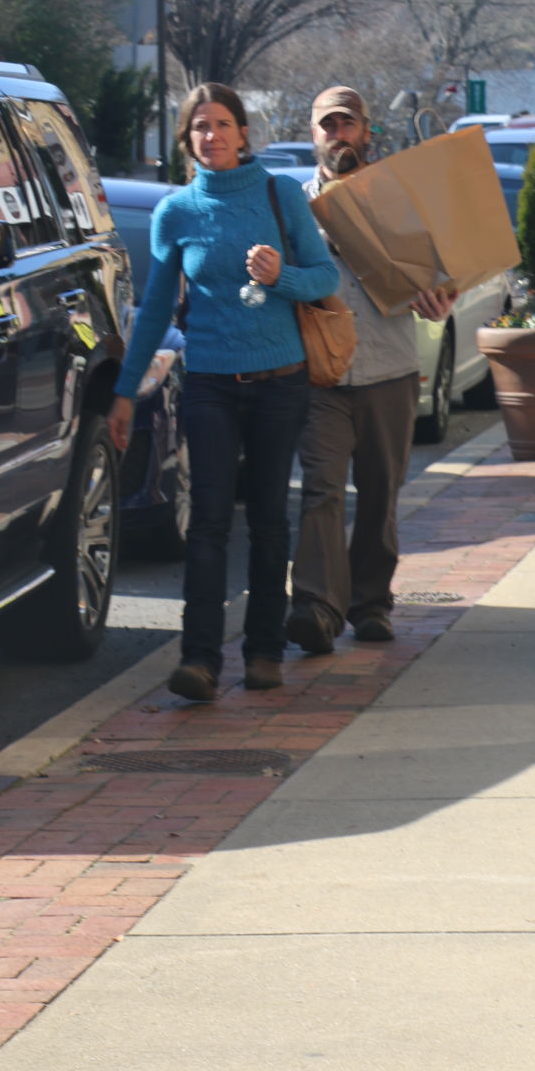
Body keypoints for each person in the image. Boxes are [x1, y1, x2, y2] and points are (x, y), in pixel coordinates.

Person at [107, 82, 338, 702]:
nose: (211, 135)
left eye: (222, 124)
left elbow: (325, 277)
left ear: (243, 133)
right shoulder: (176, 212)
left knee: (267, 519)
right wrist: (126, 391)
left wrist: (280, 276)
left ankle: (263, 652)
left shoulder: (279, 193)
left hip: (280, 382)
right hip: (209, 383)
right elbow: (156, 309)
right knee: (208, 522)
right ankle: (200, 660)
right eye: (200, 127)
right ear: (188, 140)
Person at [286, 86, 456, 654]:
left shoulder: (398, 202)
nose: (338, 134)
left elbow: (438, 276)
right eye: (328, 125)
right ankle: (316, 607)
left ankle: (371, 604)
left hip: (390, 371)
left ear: (366, 130)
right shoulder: (292, 209)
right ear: (313, 134)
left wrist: (439, 299)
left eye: (348, 124)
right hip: (322, 377)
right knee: (321, 491)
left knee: (380, 496)